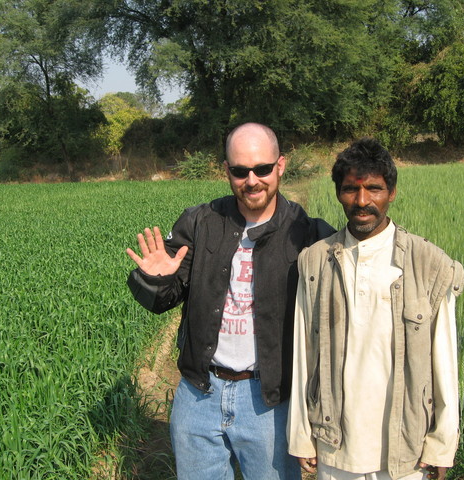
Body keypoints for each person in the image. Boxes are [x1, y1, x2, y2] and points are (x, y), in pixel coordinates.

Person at [126, 122, 334, 480]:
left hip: (270, 400)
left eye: (262, 169)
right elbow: (163, 299)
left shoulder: (308, 233)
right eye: (240, 171)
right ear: (226, 171)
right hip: (199, 395)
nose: (251, 180)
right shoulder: (200, 222)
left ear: (280, 165)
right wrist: (155, 280)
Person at [287, 138, 464, 480]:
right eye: (351, 189)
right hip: (334, 448)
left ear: (392, 192)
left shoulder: (428, 264)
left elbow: (445, 361)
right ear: (338, 193)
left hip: (406, 454)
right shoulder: (315, 261)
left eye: (374, 188)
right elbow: (303, 353)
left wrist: (442, 443)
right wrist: (300, 436)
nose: (362, 201)